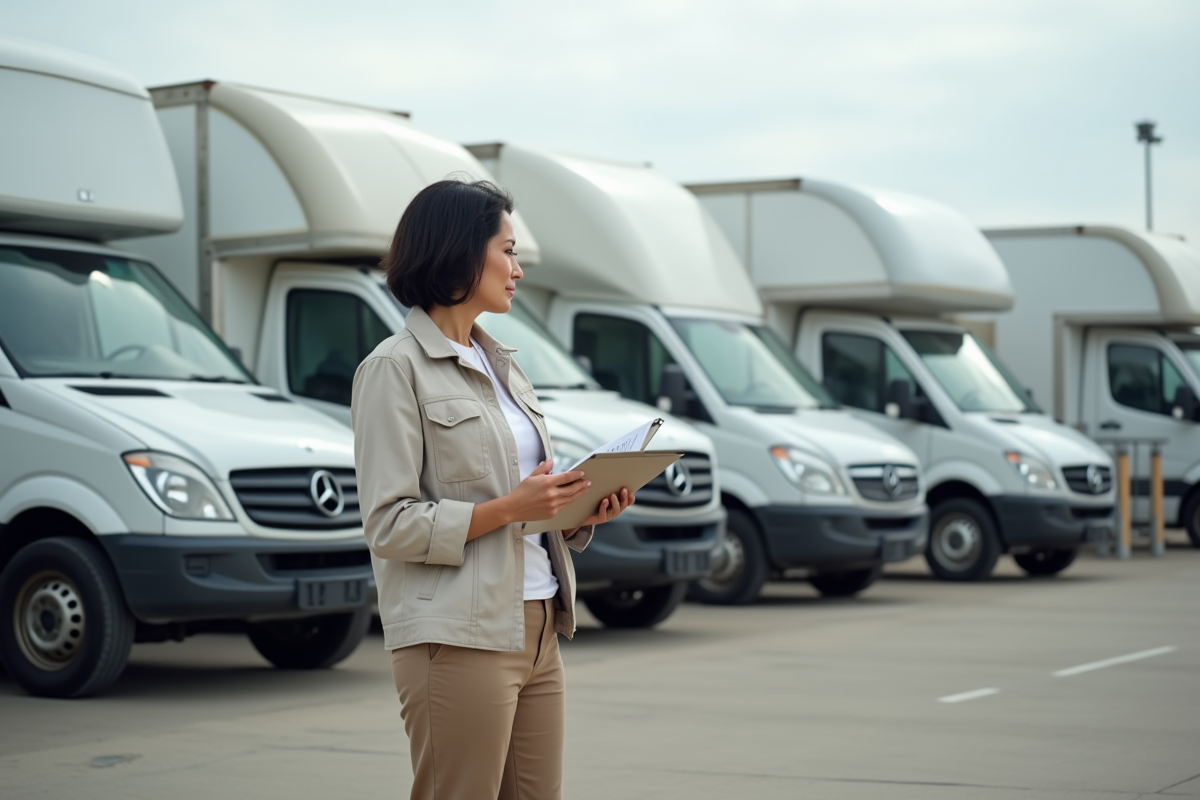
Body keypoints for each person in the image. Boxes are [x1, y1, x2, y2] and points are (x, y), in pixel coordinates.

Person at [351, 178, 634, 800]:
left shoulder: (503, 365)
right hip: (456, 637)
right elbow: (390, 524)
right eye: (508, 250)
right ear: (458, 251)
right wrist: (511, 508)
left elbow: (526, 503)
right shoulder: (391, 370)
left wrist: (580, 509)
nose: (518, 270)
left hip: (539, 626)